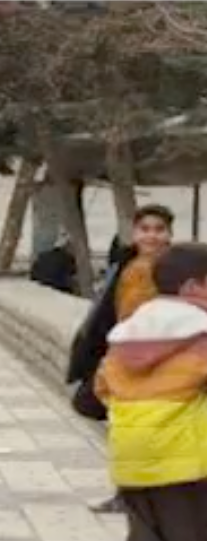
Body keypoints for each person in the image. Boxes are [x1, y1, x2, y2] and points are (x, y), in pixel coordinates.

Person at [93, 241, 207, 541]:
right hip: (186, 458)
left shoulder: (130, 332)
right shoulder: (201, 332)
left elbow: (103, 387)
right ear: (195, 286)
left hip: (132, 457)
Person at [72, 205, 178, 514]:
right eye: (146, 229)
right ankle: (128, 492)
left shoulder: (177, 267)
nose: (152, 236)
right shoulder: (127, 264)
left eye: (159, 230)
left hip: (159, 359)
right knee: (123, 428)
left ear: (169, 234)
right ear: (135, 232)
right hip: (123, 355)